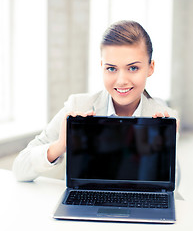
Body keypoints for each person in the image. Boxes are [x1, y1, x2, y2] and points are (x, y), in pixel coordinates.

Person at [12, 20, 179, 183]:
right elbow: (20, 168)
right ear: (102, 67)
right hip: (86, 205)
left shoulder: (164, 120)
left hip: (141, 206)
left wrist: (163, 152)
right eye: (111, 68)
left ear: (150, 68)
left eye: (133, 68)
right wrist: (60, 144)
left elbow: (172, 187)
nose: (121, 80)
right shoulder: (77, 106)